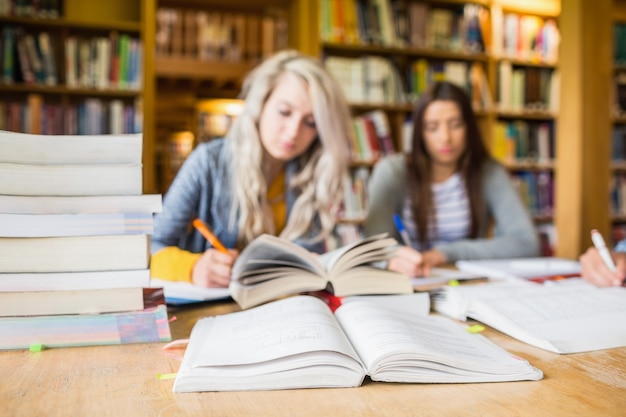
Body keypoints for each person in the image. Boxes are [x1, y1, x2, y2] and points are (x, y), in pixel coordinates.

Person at [150, 50, 353, 288]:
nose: (293, 132)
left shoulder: (313, 172)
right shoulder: (208, 162)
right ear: (260, 105)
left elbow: (308, 252)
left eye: (310, 122)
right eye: (284, 112)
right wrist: (192, 268)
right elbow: (150, 247)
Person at [364, 81, 540, 277]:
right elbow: (373, 245)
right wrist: (394, 258)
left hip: (468, 283)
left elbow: (526, 242)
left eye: (455, 125)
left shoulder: (488, 171)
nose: (445, 137)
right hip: (410, 281)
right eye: (432, 127)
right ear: (420, 133)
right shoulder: (392, 172)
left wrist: (445, 254)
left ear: (469, 127)